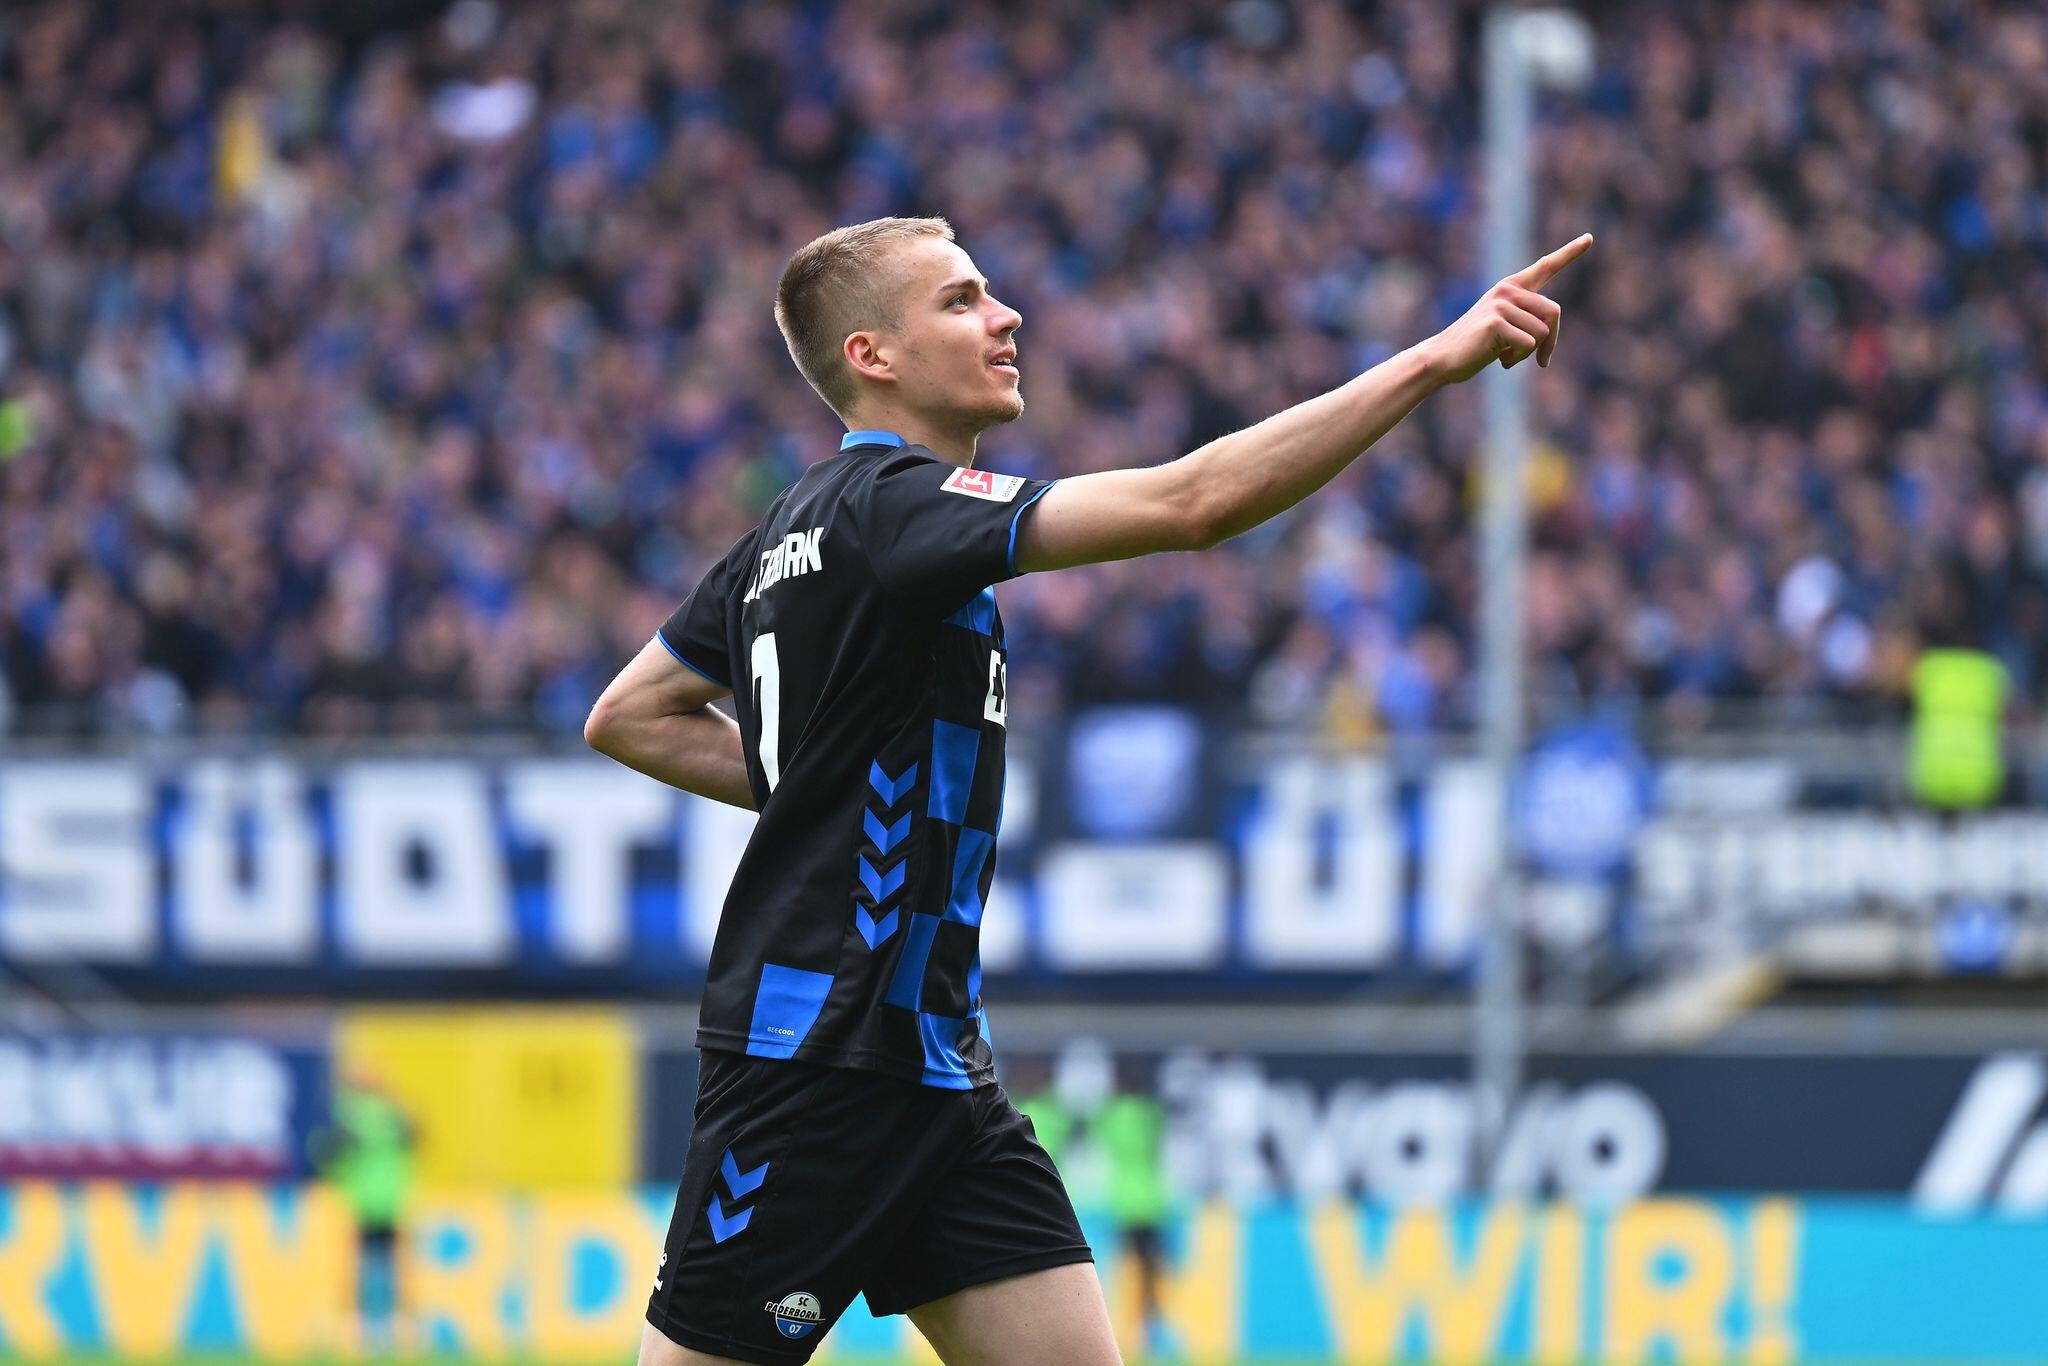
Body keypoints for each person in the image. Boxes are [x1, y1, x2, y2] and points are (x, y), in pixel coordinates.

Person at [585, 215, 1589, 1365]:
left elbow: (629, 711)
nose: (1004, 315)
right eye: (960, 300)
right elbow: (1192, 504)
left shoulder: (786, 533)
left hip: (934, 1068)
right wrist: (1432, 360)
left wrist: (818, 780)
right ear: (872, 356)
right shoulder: (893, 508)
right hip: (815, 1063)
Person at [310, 1073, 417, 1354]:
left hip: (360, 1202)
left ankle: (354, 1331)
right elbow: (417, 1137)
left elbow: (324, 1153)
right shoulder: (395, 1115)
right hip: (391, 1200)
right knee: (397, 1270)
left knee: (356, 1270)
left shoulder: (350, 1118)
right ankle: (402, 1331)